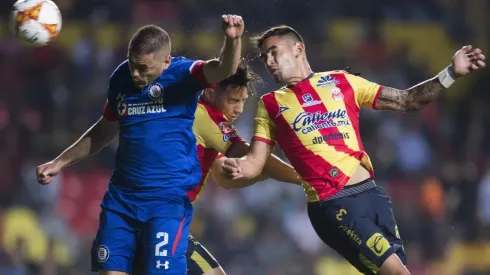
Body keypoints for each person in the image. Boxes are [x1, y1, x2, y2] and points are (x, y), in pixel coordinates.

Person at [221, 25, 486, 275]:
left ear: (298, 49)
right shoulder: (271, 104)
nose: (268, 62)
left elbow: (408, 101)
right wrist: (239, 167)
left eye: (274, 52)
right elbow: (256, 162)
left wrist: (450, 73)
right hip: (333, 203)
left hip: (372, 195)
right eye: (264, 56)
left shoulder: (342, 81)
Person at [35, 15, 245, 275]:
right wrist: (59, 162)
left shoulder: (185, 75)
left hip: (165, 203)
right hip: (121, 201)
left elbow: (223, 69)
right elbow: (104, 129)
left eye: (143, 68)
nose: (135, 73)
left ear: (166, 61)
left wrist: (232, 41)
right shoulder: (121, 78)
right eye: (133, 64)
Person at [132, 62, 302, 275]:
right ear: (210, 93)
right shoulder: (207, 117)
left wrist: (262, 173)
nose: (239, 109)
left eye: (242, 101)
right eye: (233, 100)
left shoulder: (191, 113)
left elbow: (224, 177)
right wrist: (304, 177)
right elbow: (250, 155)